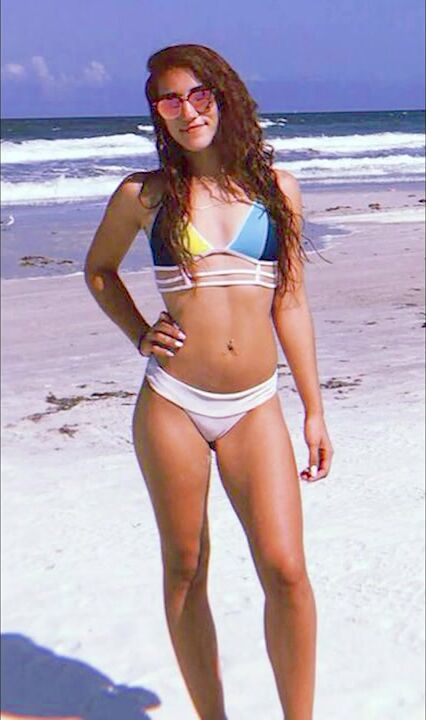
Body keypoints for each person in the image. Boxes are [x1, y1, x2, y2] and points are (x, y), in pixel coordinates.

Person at [85, 43, 333, 720]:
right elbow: (99, 269)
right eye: (169, 99)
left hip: (255, 405)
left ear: (223, 98)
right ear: (157, 112)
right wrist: (139, 332)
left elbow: (291, 302)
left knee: (286, 570)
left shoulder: (276, 191)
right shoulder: (145, 195)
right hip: (173, 403)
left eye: (199, 94)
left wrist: (313, 409)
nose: (187, 110)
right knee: (186, 567)